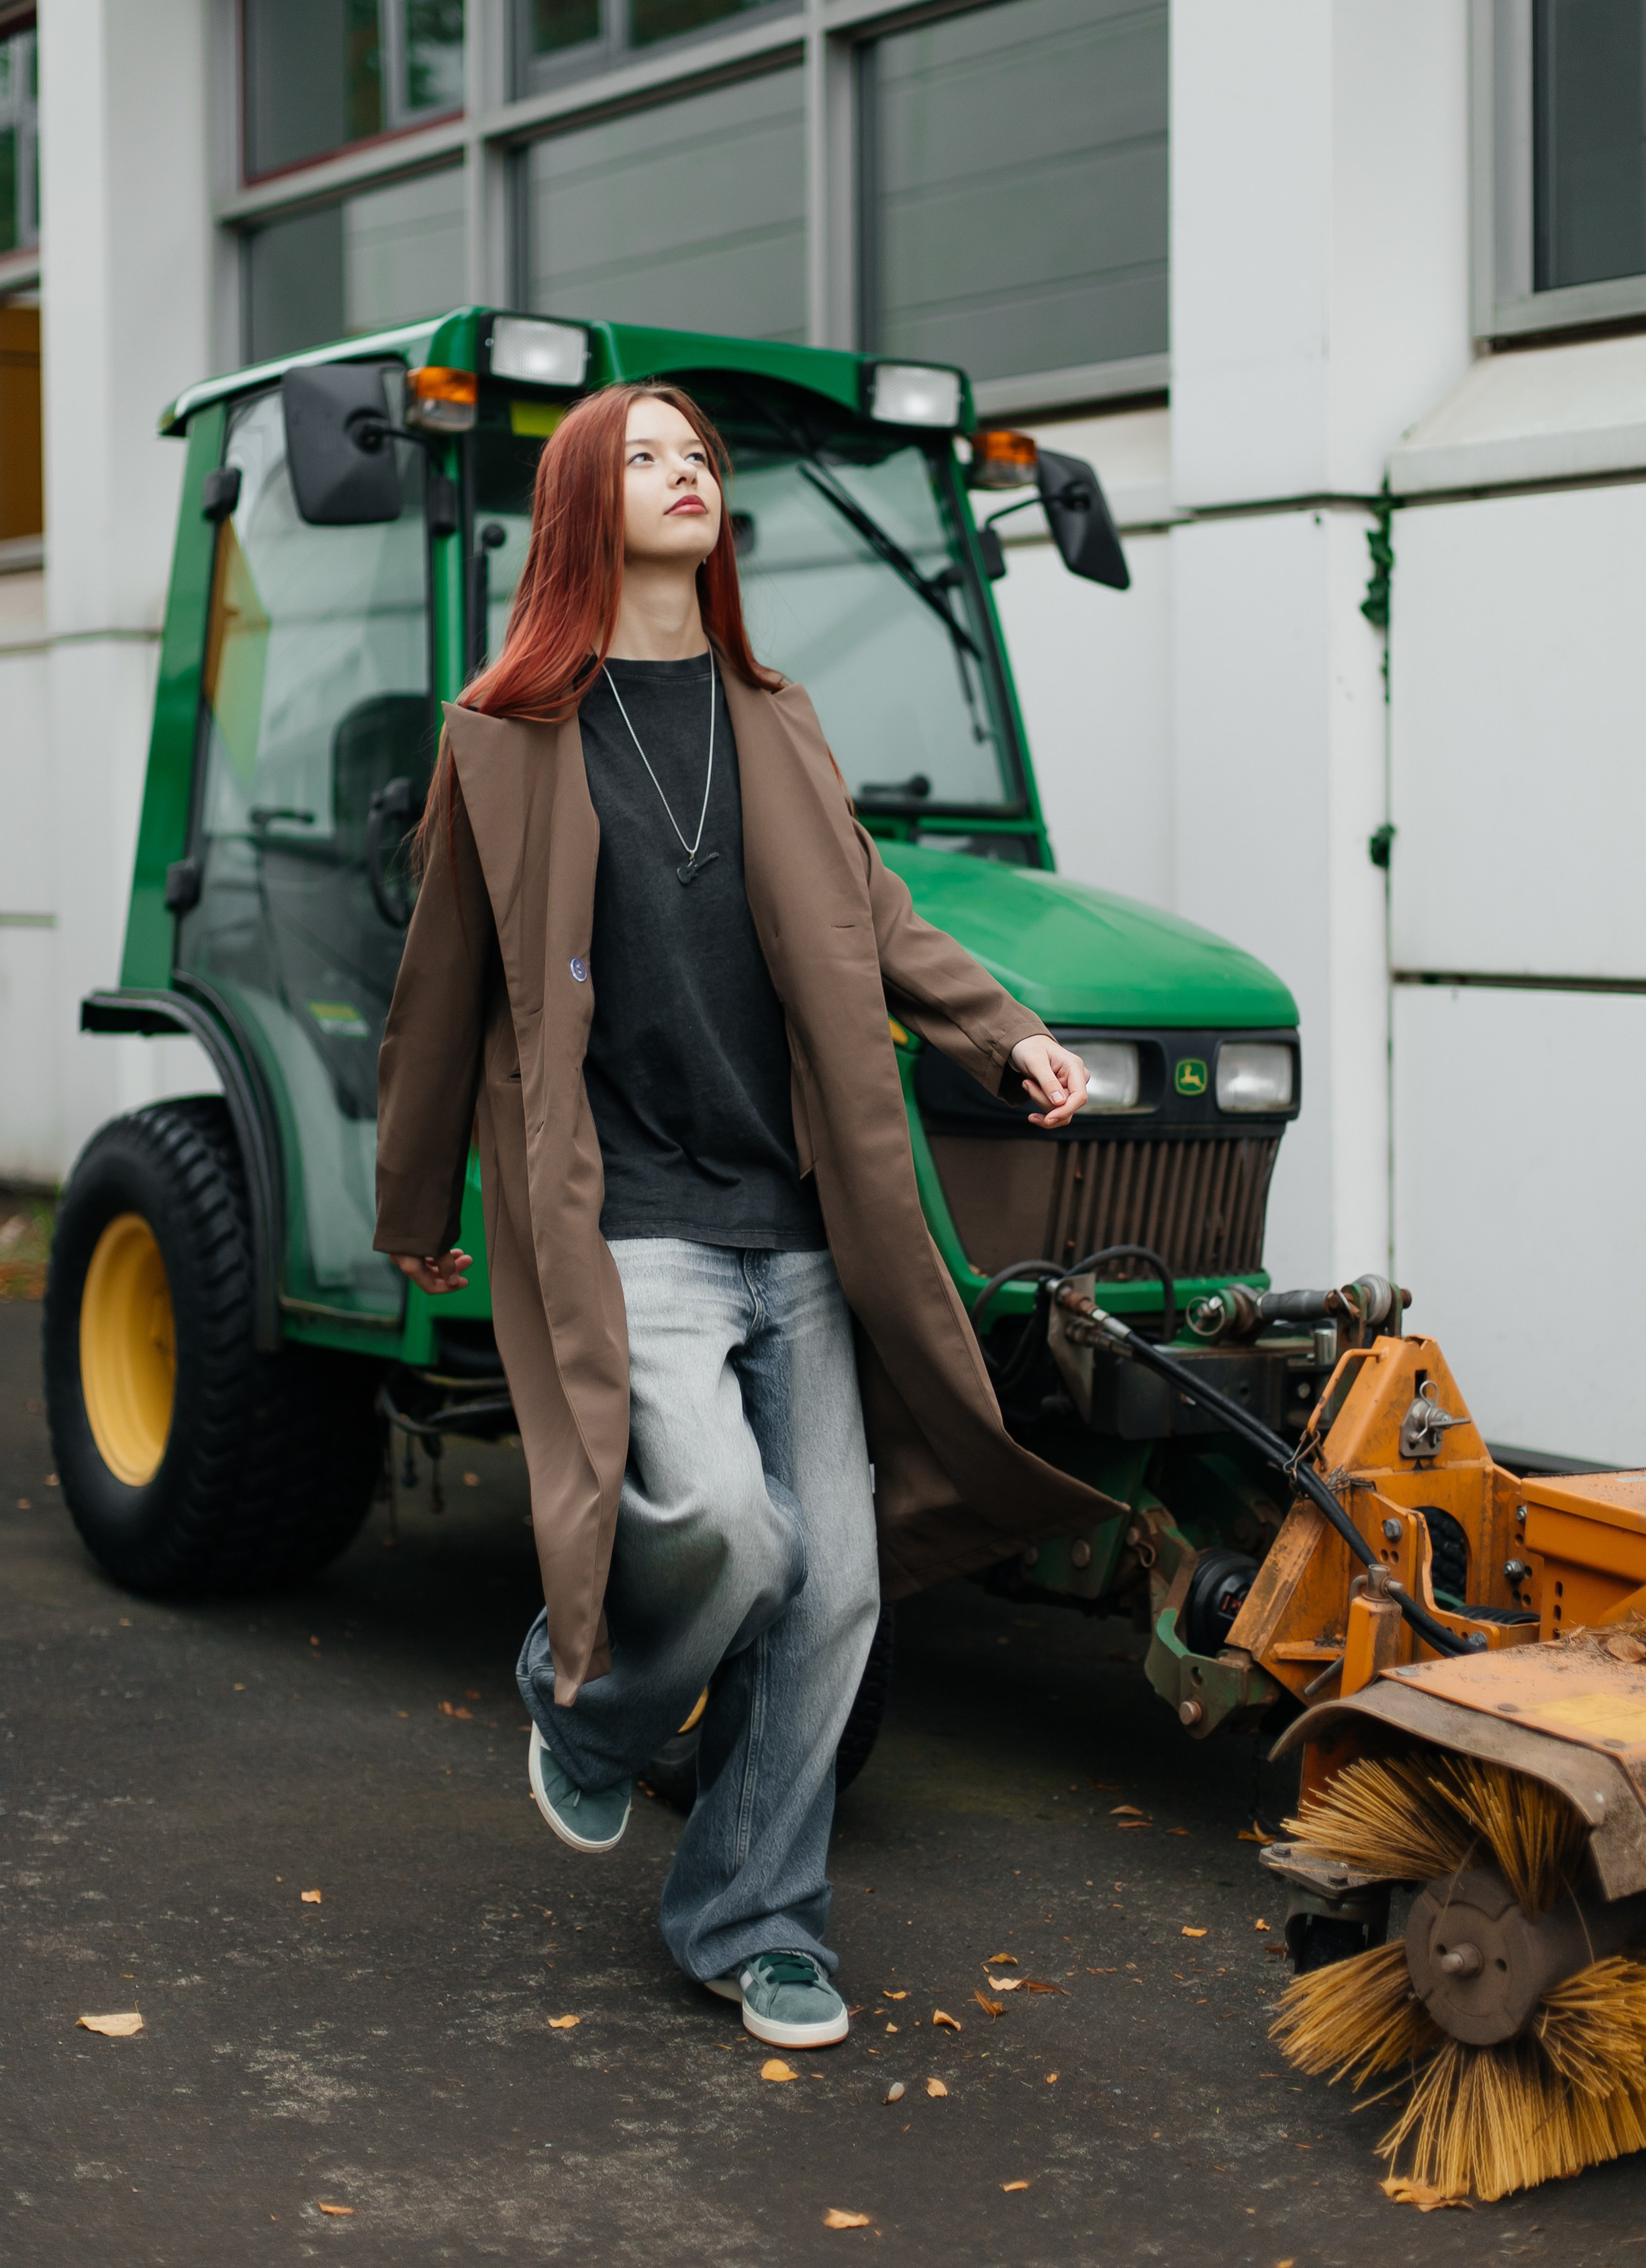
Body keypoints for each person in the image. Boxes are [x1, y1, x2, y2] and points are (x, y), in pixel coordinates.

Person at [373, 382, 1117, 2051]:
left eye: (697, 454)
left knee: (839, 1588)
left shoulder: (774, 718)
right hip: (628, 1214)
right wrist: (415, 1199)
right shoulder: (502, 737)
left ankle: (753, 1916)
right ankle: (591, 1710)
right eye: (642, 455)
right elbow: (437, 992)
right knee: (729, 1524)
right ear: (578, 506)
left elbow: (876, 915)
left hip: (793, 1220)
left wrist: (1004, 1033)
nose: (683, 473)